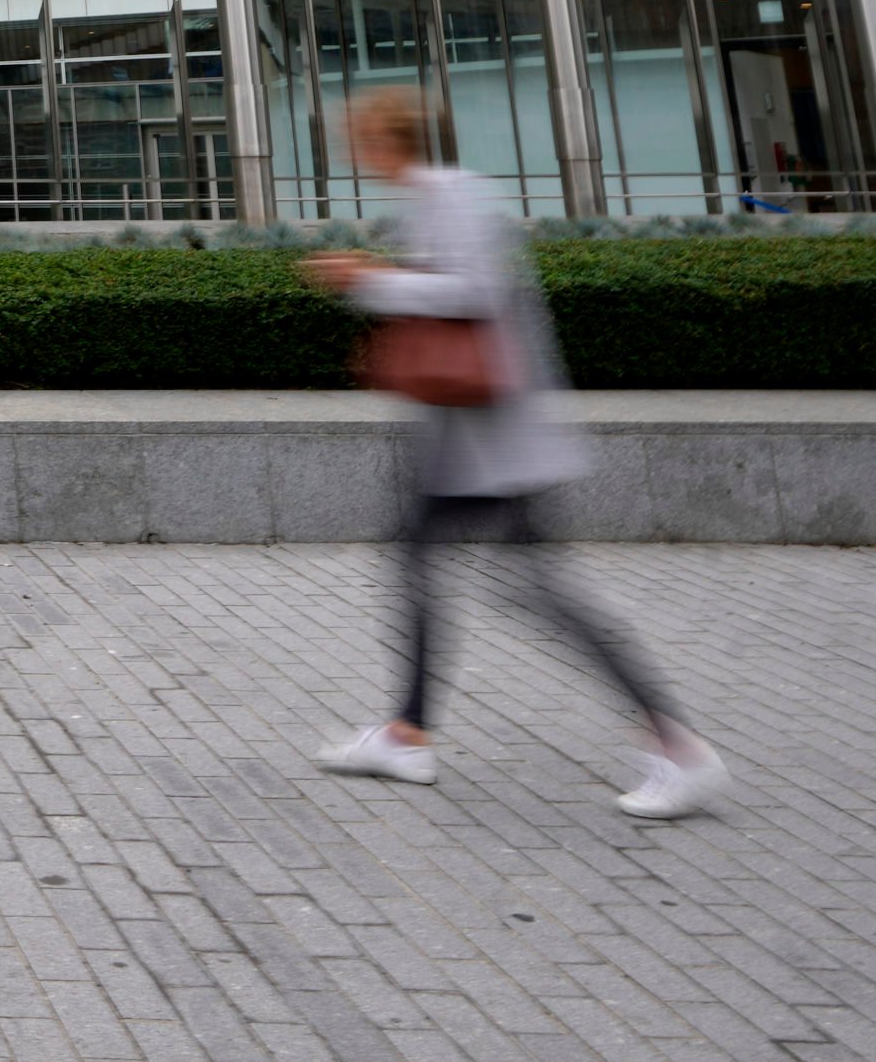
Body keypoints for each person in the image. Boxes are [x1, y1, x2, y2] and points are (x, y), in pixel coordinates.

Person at [299, 84, 728, 821]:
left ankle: (676, 746)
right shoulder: (429, 197)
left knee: (536, 593)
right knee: (419, 562)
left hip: (494, 444)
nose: (351, 150)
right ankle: (406, 732)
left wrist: (364, 279)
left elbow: (473, 292)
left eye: (358, 136)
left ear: (387, 140)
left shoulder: (451, 195)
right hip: (466, 442)